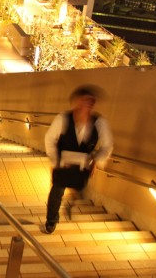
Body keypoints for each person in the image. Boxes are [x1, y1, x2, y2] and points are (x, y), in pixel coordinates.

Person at [43, 85, 113, 234]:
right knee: (57, 191)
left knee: (79, 187)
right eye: (83, 101)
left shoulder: (99, 122)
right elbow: (50, 139)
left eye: (90, 102)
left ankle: (71, 203)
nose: (86, 105)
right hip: (63, 164)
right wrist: (55, 161)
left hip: (82, 166)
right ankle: (51, 220)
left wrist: (97, 160)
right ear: (76, 102)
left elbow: (107, 145)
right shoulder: (63, 118)